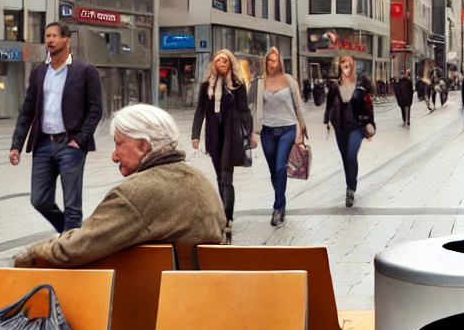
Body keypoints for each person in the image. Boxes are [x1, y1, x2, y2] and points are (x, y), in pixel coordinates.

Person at [16, 105, 226, 267]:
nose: (114, 156)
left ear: (142, 146)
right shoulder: (199, 179)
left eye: (118, 144)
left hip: (160, 306)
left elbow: (74, 249)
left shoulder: (136, 192)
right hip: (203, 296)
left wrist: (33, 253)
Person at [10, 22, 103, 233]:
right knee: (39, 199)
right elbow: (27, 111)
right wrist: (16, 144)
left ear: (66, 39)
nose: (50, 40)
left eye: (54, 36)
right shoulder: (39, 72)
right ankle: (69, 235)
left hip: (70, 145)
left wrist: (79, 139)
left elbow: (96, 109)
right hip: (43, 144)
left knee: (72, 205)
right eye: (47, 36)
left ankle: (72, 252)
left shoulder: (85, 70)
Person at [190, 50, 253, 236]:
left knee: (226, 176)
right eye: (219, 60)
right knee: (219, 176)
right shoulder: (205, 86)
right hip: (213, 135)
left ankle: (227, 217)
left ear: (230, 63)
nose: (222, 63)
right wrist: (195, 136)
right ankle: (225, 212)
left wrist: (249, 134)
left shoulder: (237, 86)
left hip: (231, 134)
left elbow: (244, 111)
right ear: (214, 65)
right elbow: (200, 111)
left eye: (225, 60)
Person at [253, 48, 307, 227]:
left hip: (287, 129)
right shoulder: (260, 82)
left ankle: (277, 208)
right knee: (273, 172)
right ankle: (281, 201)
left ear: (280, 63)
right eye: (269, 60)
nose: (272, 63)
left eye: (275, 60)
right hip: (267, 131)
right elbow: (250, 105)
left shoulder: (289, 80)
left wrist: (301, 128)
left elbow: (298, 104)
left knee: (280, 168)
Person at [324, 54, 373, 207]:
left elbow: (368, 107)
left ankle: (351, 188)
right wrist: (327, 121)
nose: (345, 66)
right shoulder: (334, 86)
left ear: (352, 67)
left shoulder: (360, 87)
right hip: (340, 127)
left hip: (356, 127)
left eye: (348, 63)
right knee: (345, 157)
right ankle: (349, 184)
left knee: (351, 155)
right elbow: (329, 104)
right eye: (342, 63)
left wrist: (369, 124)